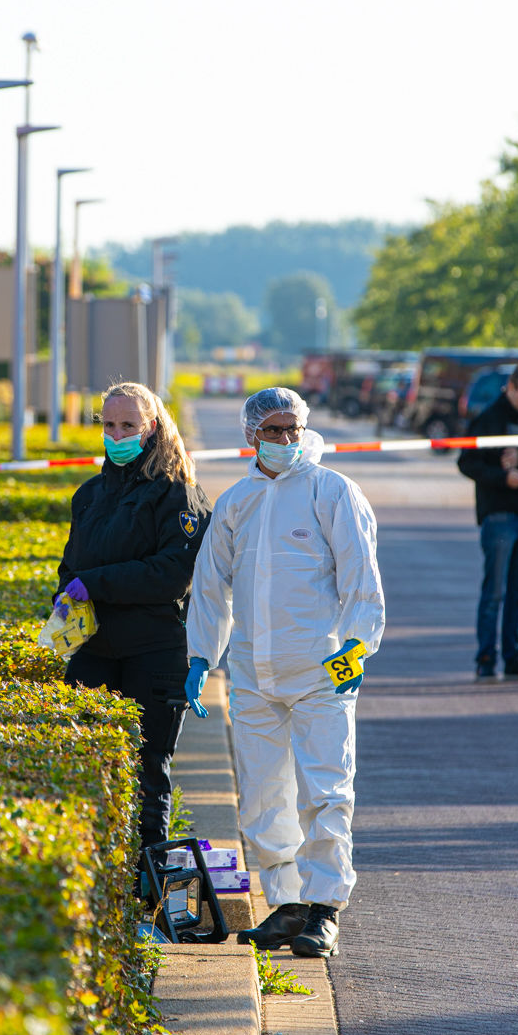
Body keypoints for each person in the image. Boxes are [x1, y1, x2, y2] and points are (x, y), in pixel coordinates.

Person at [187, 386, 385, 960]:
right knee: (262, 795)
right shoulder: (236, 502)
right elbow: (211, 586)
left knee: (326, 791)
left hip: (321, 670)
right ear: (252, 435)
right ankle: (288, 902)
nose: (285, 439)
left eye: (293, 429)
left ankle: (325, 909)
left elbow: (361, 577)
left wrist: (355, 649)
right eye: (273, 430)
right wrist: (201, 656)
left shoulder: (332, 491)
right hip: (253, 673)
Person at [56, 382, 213, 855]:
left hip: (154, 653)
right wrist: (64, 601)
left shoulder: (178, 493)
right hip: (94, 651)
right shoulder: (89, 494)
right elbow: (71, 567)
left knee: (147, 774)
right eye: (108, 425)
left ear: (152, 428)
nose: (117, 435)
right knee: (82, 767)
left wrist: (97, 584)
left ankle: (148, 885)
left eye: (128, 425)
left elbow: (172, 576)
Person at [457, 360, 518, 680]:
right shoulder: (488, 420)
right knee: (494, 592)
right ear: (510, 387)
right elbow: (467, 462)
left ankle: (515, 658)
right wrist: (503, 478)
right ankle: (486, 659)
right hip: (499, 516)